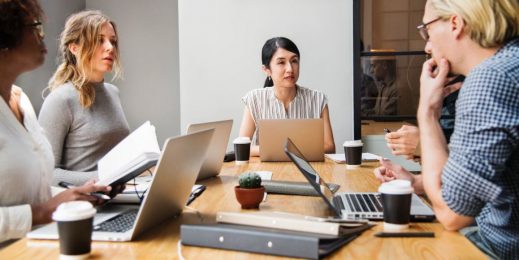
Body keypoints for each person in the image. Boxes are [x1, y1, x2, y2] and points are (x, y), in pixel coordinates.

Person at [375, 0, 519, 258]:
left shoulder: (490, 79)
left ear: (455, 24)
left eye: (427, 31)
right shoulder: (510, 63)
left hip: (496, 248)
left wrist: (427, 112)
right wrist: (418, 183)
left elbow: (453, 214)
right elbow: (482, 179)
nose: (427, 46)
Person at [0, 0, 111, 244]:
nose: (43, 36)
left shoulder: (21, 102)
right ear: (5, 38)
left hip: (39, 246)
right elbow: (38, 208)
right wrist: (41, 213)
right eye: (34, 27)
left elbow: (32, 190)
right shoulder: (60, 99)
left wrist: (72, 195)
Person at [38, 10, 130, 186]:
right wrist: (105, 178)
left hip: (119, 197)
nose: (110, 47)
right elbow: (46, 174)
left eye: (113, 41)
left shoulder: (113, 92)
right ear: (75, 48)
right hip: (84, 207)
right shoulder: (60, 100)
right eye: (99, 40)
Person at [239, 37, 335, 156]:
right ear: (267, 70)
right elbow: (242, 146)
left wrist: (284, 151)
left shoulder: (318, 99)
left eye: (294, 61)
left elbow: (329, 147)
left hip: (307, 171)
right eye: (281, 62)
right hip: (265, 172)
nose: (290, 69)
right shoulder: (254, 99)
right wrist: (284, 151)